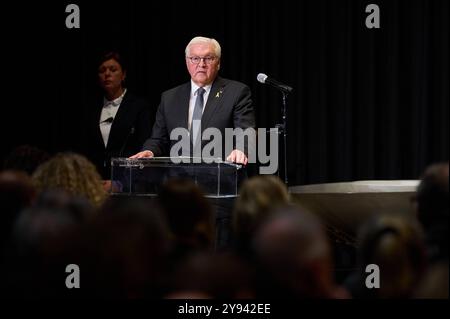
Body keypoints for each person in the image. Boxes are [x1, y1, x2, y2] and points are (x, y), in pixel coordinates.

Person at [130, 36, 255, 164]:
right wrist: (149, 151)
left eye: (208, 58)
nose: (201, 64)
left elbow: (245, 130)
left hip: (220, 177)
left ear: (218, 63)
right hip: (180, 180)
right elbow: (158, 139)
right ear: (187, 62)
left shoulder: (236, 92)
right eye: (195, 58)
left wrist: (241, 149)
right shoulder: (169, 98)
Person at [84, 51, 154, 179]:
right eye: (102, 70)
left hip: (127, 181)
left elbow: (142, 146)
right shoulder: (91, 107)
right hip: (94, 181)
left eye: (113, 69)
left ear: (123, 75)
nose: (107, 74)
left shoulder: (138, 106)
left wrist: (120, 183)